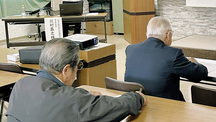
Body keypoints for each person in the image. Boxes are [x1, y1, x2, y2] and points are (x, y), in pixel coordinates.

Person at [6, 38, 146, 122]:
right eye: (78, 67)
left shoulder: (20, 85)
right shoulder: (71, 100)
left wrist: (75, 93)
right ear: (66, 70)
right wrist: (137, 98)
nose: (77, 72)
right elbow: (117, 106)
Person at [124, 16, 208, 101]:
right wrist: (195, 63)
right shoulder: (173, 54)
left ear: (147, 34)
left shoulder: (130, 49)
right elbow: (199, 74)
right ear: (168, 34)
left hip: (136, 104)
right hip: (165, 107)